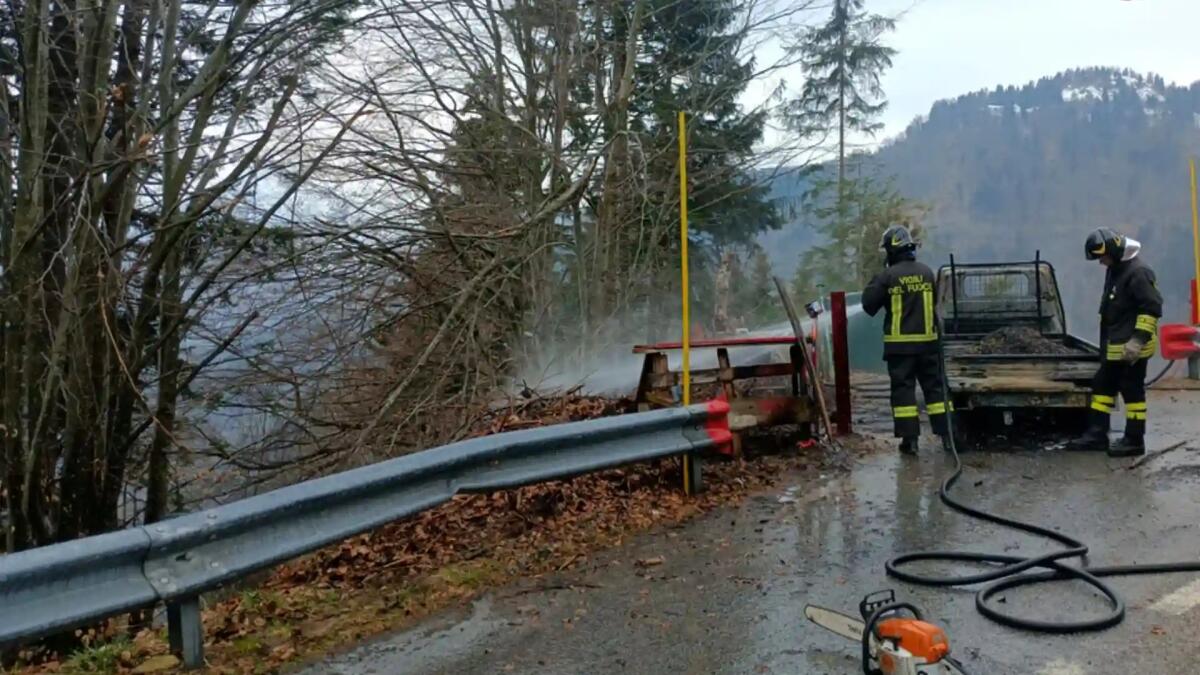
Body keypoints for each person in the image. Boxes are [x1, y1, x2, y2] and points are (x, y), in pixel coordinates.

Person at [1069, 228, 1163, 457]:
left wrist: (1137, 341)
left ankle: (1134, 439)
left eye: (1102, 257)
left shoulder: (1138, 273)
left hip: (1132, 349)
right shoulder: (1117, 268)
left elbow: (1151, 308)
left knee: (1132, 393)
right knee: (1102, 385)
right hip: (1116, 346)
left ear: (1112, 250)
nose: (1101, 262)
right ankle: (1097, 434)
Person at [862, 225, 953, 455]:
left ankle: (910, 442)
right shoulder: (926, 272)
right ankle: (948, 437)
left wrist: (879, 281)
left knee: (903, 393)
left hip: (900, 348)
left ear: (892, 250)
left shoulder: (888, 276)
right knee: (935, 391)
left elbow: (868, 304)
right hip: (928, 345)